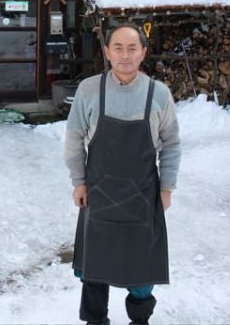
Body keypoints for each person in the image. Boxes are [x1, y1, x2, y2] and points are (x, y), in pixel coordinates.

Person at [65, 24, 181, 325]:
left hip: (143, 196)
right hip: (98, 193)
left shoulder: (159, 94)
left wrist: (166, 186)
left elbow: (171, 143)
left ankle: (139, 320)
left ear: (143, 52)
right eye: (118, 47)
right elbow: (74, 137)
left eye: (132, 48)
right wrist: (78, 181)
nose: (125, 55)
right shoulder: (89, 89)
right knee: (94, 270)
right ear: (107, 52)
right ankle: (96, 321)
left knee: (141, 274)